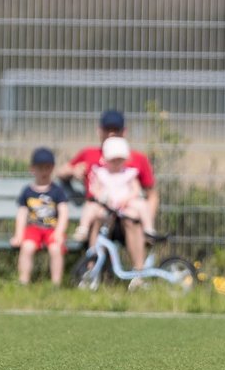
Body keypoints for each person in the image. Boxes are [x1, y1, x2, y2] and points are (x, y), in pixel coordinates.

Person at [58, 109, 158, 272]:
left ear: (124, 132)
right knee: (99, 217)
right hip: (101, 214)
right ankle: (92, 273)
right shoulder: (89, 154)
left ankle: (139, 274)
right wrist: (73, 171)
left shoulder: (137, 159)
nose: (111, 134)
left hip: (127, 215)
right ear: (99, 130)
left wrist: (147, 221)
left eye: (116, 130)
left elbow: (152, 195)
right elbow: (61, 172)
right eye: (107, 129)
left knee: (132, 220)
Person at [11, 147, 70, 286]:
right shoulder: (28, 191)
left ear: (52, 168)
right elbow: (22, 214)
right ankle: (23, 280)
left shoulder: (57, 191)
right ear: (32, 169)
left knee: (55, 249)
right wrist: (18, 235)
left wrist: (60, 233)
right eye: (40, 168)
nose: (44, 171)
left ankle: (56, 283)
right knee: (27, 247)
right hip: (33, 228)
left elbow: (64, 212)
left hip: (52, 229)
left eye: (47, 168)